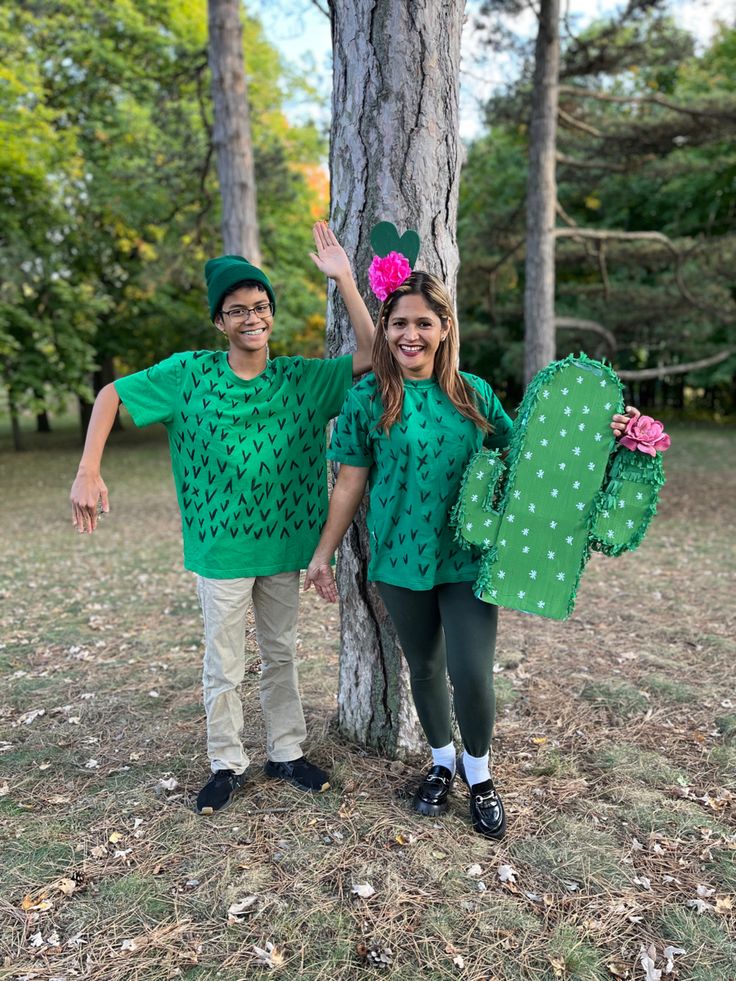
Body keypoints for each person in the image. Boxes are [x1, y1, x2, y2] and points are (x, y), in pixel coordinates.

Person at [304, 269, 637, 839]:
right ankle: (441, 763)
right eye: (399, 323)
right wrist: (323, 554)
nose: (411, 334)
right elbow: (349, 483)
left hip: (466, 558)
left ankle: (479, 776)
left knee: (473, 674)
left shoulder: (473, 394)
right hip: (400, 561)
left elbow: (528, 458)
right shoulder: (366, 398)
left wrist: (605, 436)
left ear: (444, 329)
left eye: (423, 324)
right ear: (384, 329)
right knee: (425, 668)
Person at [70, 222, 374, 815]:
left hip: (287, 545)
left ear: (271, 313)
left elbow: (372, 355)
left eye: (261, 307)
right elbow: (110, 395)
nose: (252, 317)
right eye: (238, 310)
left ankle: (286, 752)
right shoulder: (189, 376)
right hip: (221, 549)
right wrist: (88, 468)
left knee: (282, 653)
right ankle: (226, 762)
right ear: (220, 321)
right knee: (224, 662)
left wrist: (344, 280)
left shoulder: (300, 380)